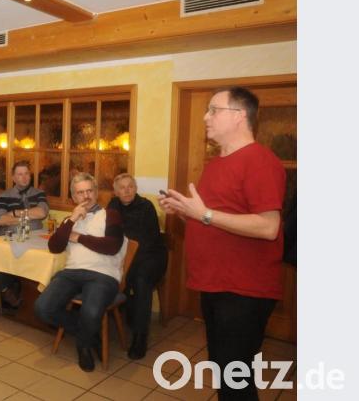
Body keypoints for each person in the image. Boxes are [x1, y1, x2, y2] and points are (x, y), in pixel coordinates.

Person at [159, 87, 285, 400]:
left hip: (243, 290)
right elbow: (213, 221)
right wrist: (186, 212)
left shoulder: (260, 161)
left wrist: (203, 214)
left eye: (214, 110)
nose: (206, 117)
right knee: (224, 374)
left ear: (240, 115)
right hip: (215, 285)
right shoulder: (216, 163)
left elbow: (269, 227)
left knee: (235, 382)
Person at [34, 173, 126, 372]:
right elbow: (54, 247)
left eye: (89, 191)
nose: (86, 196)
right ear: (73, 197)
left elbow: (112, 246)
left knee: (91, 311)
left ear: (96, 193)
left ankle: (83, 346)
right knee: (42, 308)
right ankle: (90, 334)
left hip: (103, 274)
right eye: (80, 192)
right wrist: (72, 220)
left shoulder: (110, 215)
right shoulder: (70, 219)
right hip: (72, 273)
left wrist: (79, 237)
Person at [107, 173, 167, 360]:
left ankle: (140, 337)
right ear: (116, 192)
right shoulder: (113, 205)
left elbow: (145, 242)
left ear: (136, 189)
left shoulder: (146, 207)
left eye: (130, 186)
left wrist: (125, 265)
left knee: (140, 279)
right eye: (122, 188)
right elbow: (109, 232)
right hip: (126, 255)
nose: (126, 190)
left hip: (150, 256)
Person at [0, 161, 51, 307]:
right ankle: (10, 292)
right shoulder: (5, 196)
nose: (24, 177)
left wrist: (15, 213)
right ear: (13, 177)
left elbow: (42, 212)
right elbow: (0, 220)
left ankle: (34, 302)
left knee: (43, 260)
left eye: (26, 174)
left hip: (35, 237)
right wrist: (27, 217)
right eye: (20, 174)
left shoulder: (39, 193)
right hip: (11, 237)